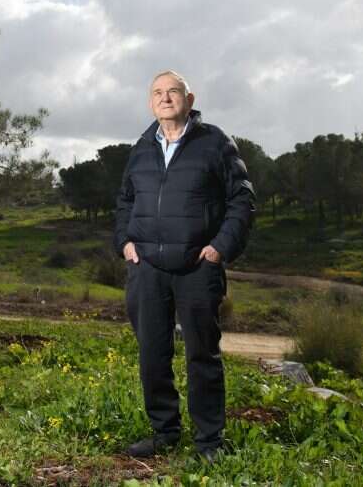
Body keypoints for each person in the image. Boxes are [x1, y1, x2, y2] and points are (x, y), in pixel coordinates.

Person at [114, 70, 255, 461]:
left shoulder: (214, 143)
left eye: (173, 91)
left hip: (197, 266)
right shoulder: (142, 147)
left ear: (189, 99)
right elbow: (124, 200)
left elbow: (242, 200)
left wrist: (219, 249)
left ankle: (209, 441)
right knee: (152, 354)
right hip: (148, 269)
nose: (165, 98)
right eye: (157, 93)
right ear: (150, 102)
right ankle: (164, 432)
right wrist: (124, 242)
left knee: (202, 355)